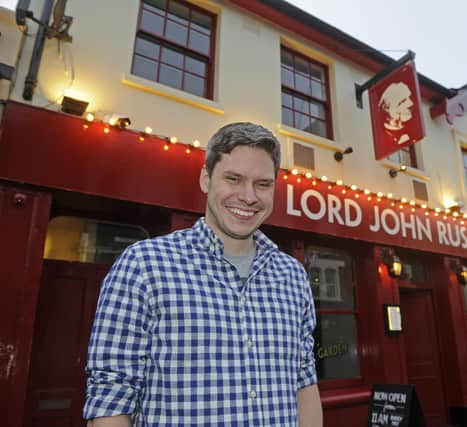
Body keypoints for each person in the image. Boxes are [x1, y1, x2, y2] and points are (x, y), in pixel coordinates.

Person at [84, 122, 322, 426]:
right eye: (233, 179)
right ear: (206, 179)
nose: (249, 196)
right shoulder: (144, 265)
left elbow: (305, 381)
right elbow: (111, 398)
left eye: (262, 184)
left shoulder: (292, 275)